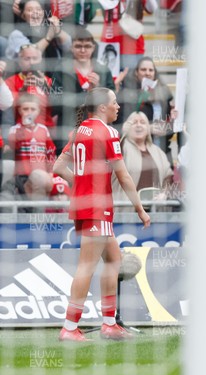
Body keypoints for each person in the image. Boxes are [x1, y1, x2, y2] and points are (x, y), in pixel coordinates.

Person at [54, 87, 150, 341]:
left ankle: (109, 324)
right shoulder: (108, 132)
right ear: (103, 107)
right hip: (97, 207)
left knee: (113, 259)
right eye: (115, 102)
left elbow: (58, 166)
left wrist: (82, 185)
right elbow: (124, 175)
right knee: (86, 266)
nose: (118, 106)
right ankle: (69, 328)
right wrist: (140, 208)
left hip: (86, 205)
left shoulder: (78, 131)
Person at [111, 111, 173, 204]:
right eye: (134, 123)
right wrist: (122, 134)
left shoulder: (158, 152)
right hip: (127, 210)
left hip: (153, 211)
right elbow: (111, 157)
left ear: (148, 128)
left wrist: (164, 194)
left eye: (143, 122)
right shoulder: (122, 147)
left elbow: (169, 177)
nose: (138, 125)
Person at [115, 57, 176, 152]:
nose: (147, 73)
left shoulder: (164, 93)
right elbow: (122, 126)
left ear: (155, 73)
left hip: (161, 150)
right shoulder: (127, 93)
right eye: (143, 69)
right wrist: (148, 129)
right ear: (136, 72)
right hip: (136, 151)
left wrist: (171, 122)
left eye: (151, 70)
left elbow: (170, 132)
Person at [7, 93, 56, 194]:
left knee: (40, 203)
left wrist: (50, 172)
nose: (29, 112)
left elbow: (51, 152)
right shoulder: (14, 129)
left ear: (38, 111)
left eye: (33, 109)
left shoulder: (43, 129)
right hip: (22, 175)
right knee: (23, 202)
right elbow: (12, 146)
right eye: (25, 109)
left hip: (41, 174)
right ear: (20, 110)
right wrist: (23, 129)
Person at [6, 0, 72, 60]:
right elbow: (30, 55)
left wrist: (58, 31)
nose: (35, 12)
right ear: (23, 15)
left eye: (38, 9)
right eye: (30, 10)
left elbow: (69, 47)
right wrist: (48, 38)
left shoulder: (48, 27)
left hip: (54, 71)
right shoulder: (16, 34)